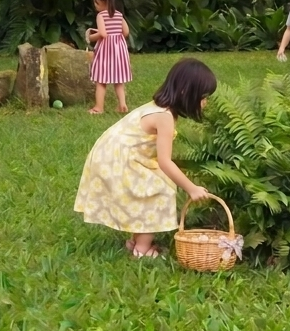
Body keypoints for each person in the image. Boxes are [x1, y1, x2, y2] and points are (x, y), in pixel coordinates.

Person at [74, 58, 216, 259]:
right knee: (158, 190)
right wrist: (191, 188)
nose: (205, 102)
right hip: (118, 160)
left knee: (150, 187)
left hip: (112, 154)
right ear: (185, 92)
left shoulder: (161, 107)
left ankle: (136, 240)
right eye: (203, 97)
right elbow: (165, 162)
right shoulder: (165, 117)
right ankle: (141, 249)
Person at [86, 0, 131, 115]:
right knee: (118, 81)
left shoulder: (101, 16)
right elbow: (126, 32)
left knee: (101, 80)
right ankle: (122, 105)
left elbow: (103, 34)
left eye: (95, 3)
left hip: (106, 51)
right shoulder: (118, 14)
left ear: (98, 1)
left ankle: (99, 107)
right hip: (119, 50)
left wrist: (91, 37)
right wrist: (117, 38)